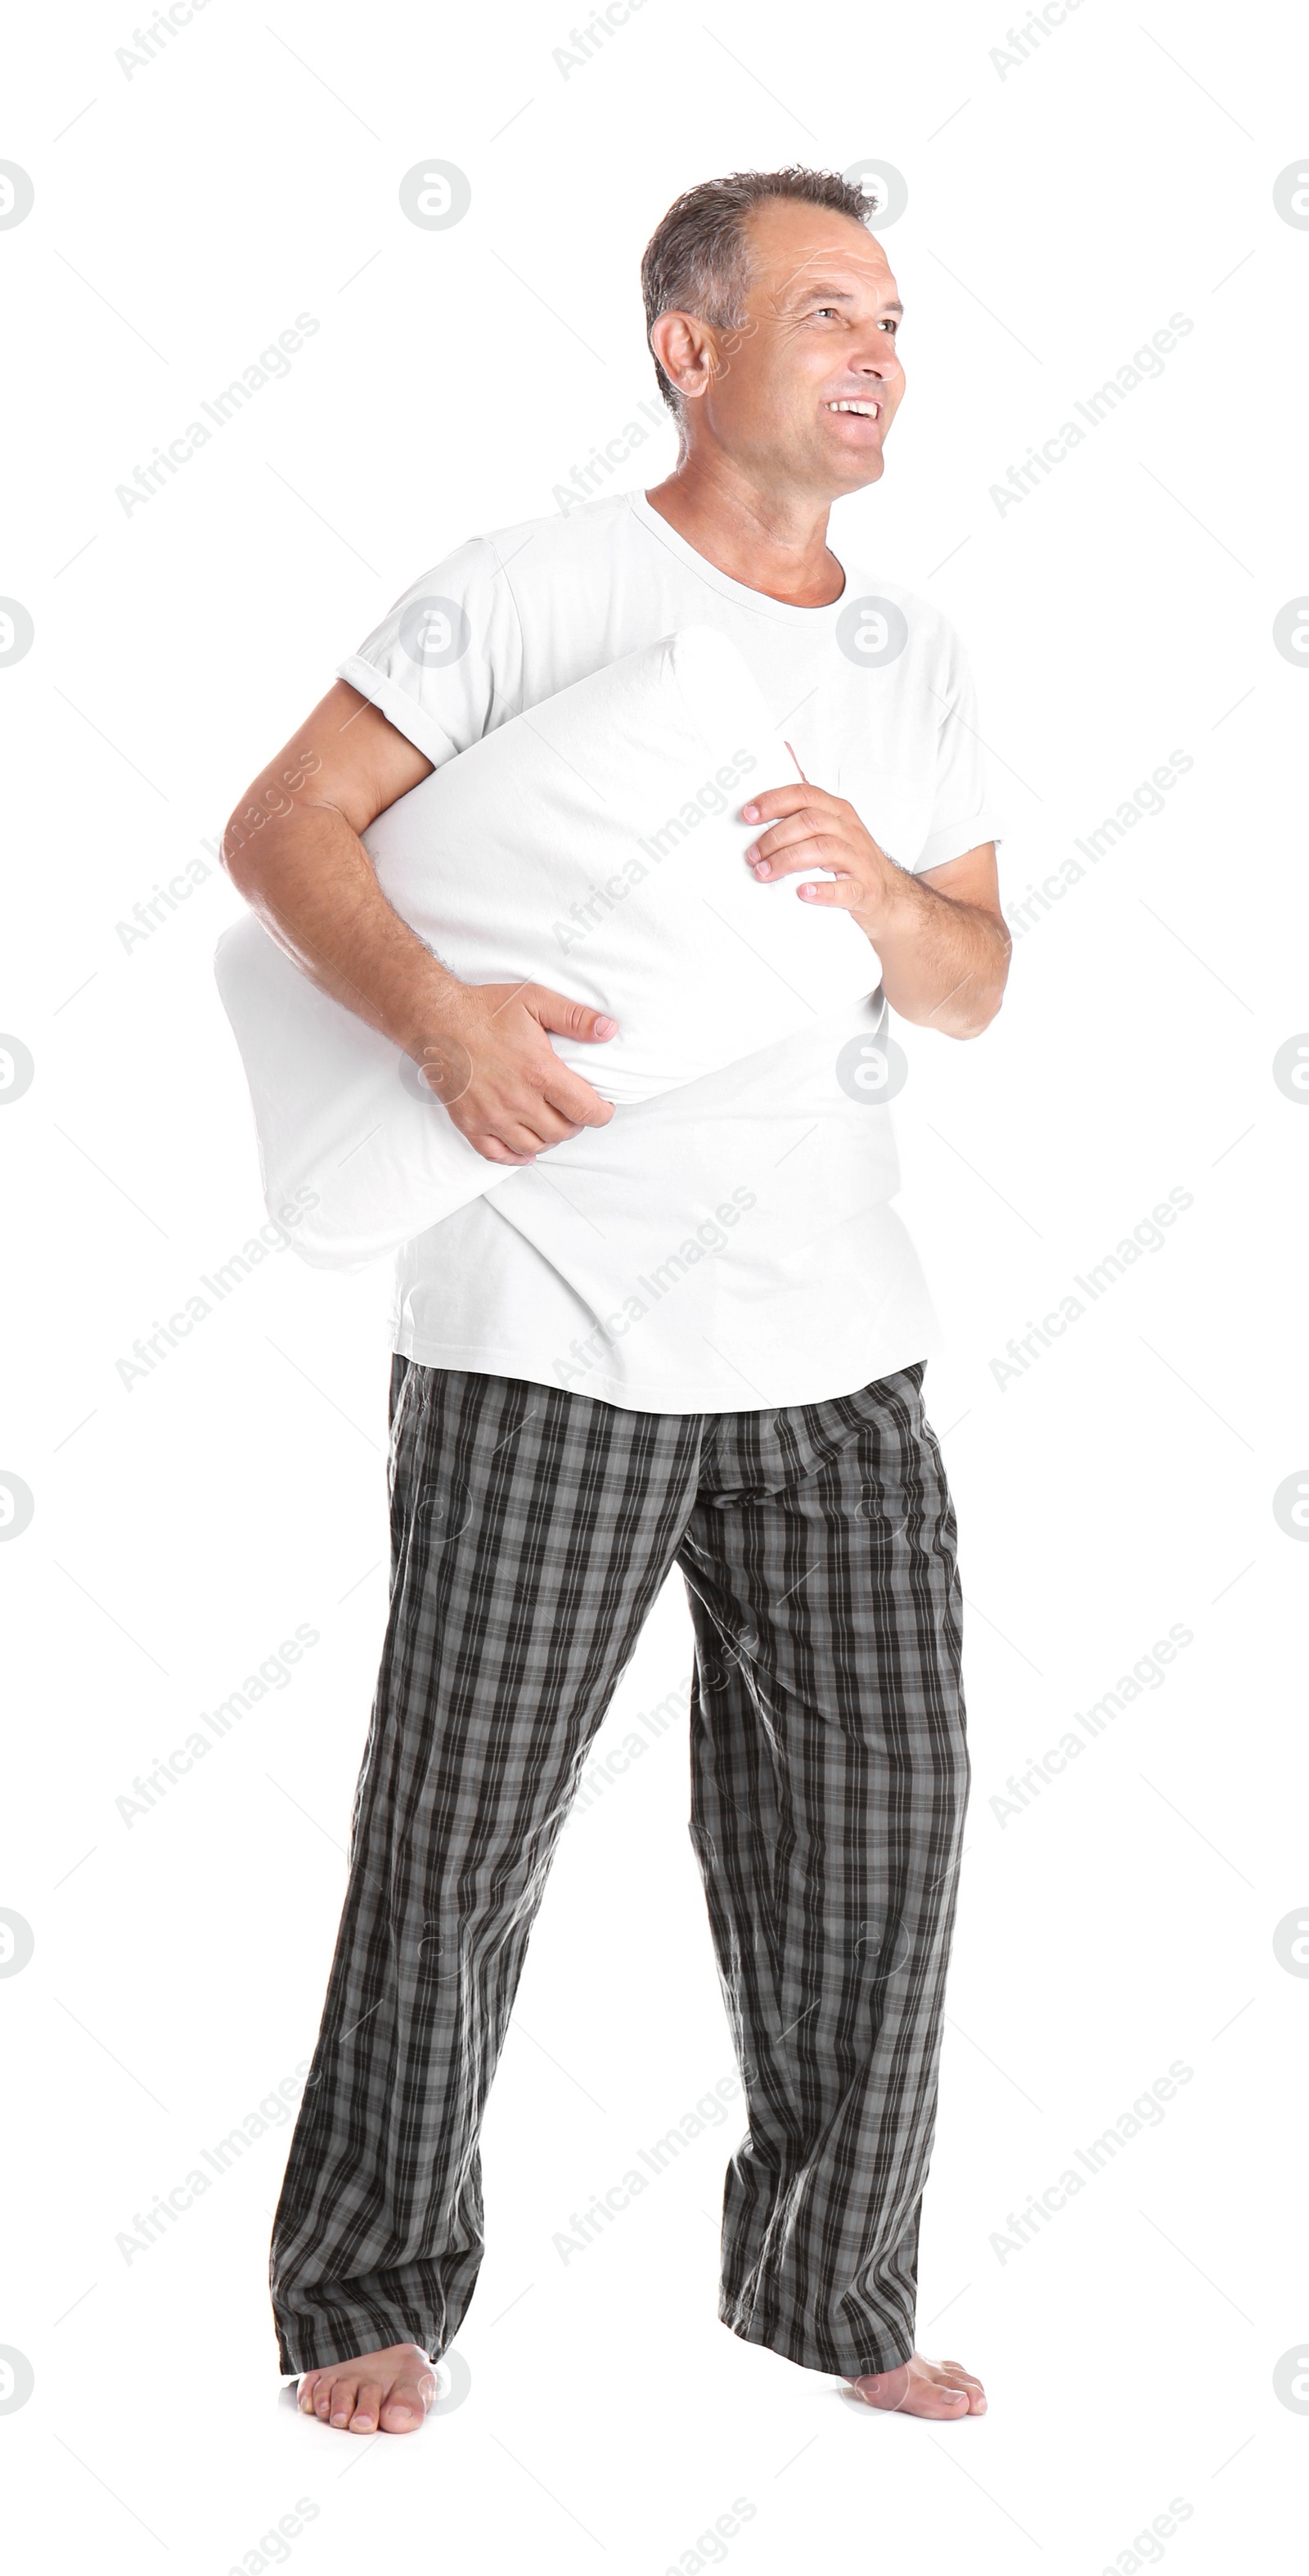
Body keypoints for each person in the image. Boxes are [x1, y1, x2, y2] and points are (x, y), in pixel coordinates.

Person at [223, 164, 1009, 2437]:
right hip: (541, 1325)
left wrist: (880, 894)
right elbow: (287, 830)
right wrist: (445, 1017)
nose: (879, 355)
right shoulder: (530, 588)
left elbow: (974, 982)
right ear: (690, 346)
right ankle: (367, 2287)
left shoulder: (918, 656)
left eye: (893, 322)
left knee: (875, 1830)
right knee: (457, 1833)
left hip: (837, 1337)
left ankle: (835, 2296)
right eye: (829, 314)